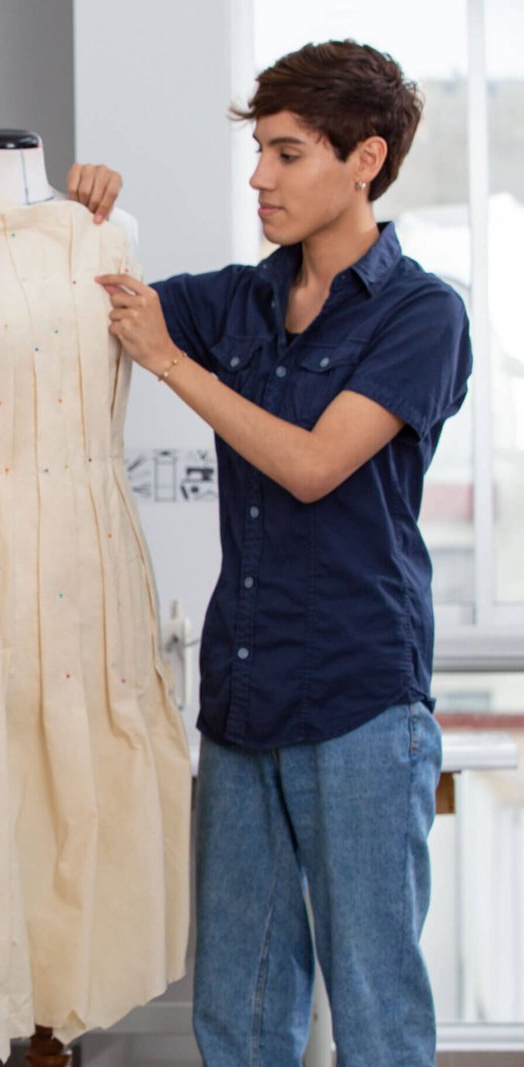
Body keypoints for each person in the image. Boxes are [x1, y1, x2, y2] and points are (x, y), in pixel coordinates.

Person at [70, 39, 471, 1066]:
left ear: (365, 159)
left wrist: (170, 364)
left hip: (362, 702)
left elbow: (312, 465)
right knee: (237, 1011)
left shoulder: (423, 314)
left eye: (287, 154)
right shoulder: (240, 299)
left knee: (377, 1015)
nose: (259, 177)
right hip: (243, 700)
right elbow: (91, 302)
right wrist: (81, 218)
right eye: (258, 151)